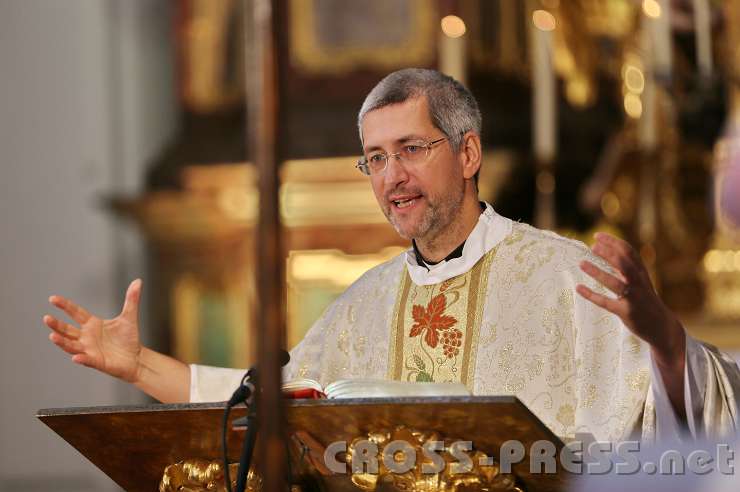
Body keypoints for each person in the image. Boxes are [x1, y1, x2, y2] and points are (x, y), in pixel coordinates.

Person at [44, 68, 740, 443]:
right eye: (375, 158)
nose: (391, 177)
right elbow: (272, 405)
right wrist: (138, 365)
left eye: (411, 149)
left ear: (468, 153)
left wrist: (667, 342)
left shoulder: (566, 276)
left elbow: (708, 410)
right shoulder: (365, 303)